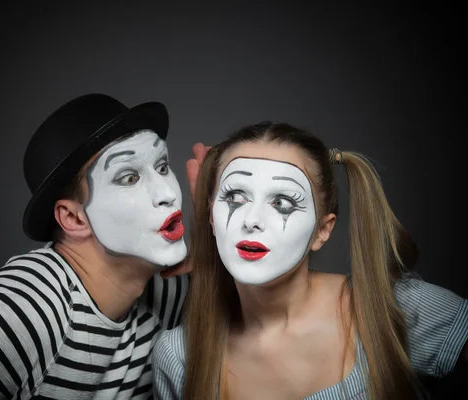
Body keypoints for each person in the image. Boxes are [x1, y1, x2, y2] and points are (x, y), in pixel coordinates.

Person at [0, 93, 193, 399]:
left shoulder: (170, 290)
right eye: (128, 178)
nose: (166, 192)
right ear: (73, 218)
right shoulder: (9, 316)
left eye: (162, 167)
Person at [152, 121, 468, 399]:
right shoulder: (180, 357)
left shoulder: (394, 310)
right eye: (235, 197)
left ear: (322, 230)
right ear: (211, 215)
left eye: (282, 202)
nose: (252, 220)